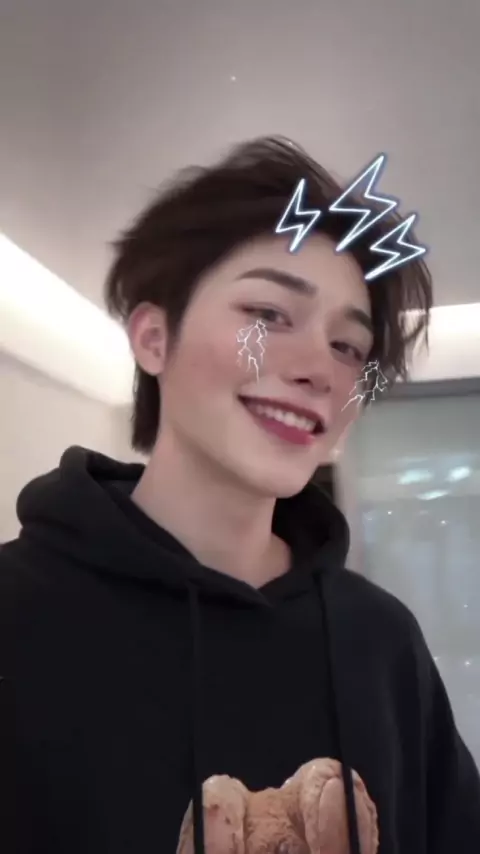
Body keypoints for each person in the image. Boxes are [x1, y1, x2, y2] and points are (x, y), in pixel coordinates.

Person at [1, 137, 479, 854]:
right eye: (269, 313)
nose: (318, 368)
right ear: (153, 337)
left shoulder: (381, 642)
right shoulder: (17, 615)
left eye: (348, 347)